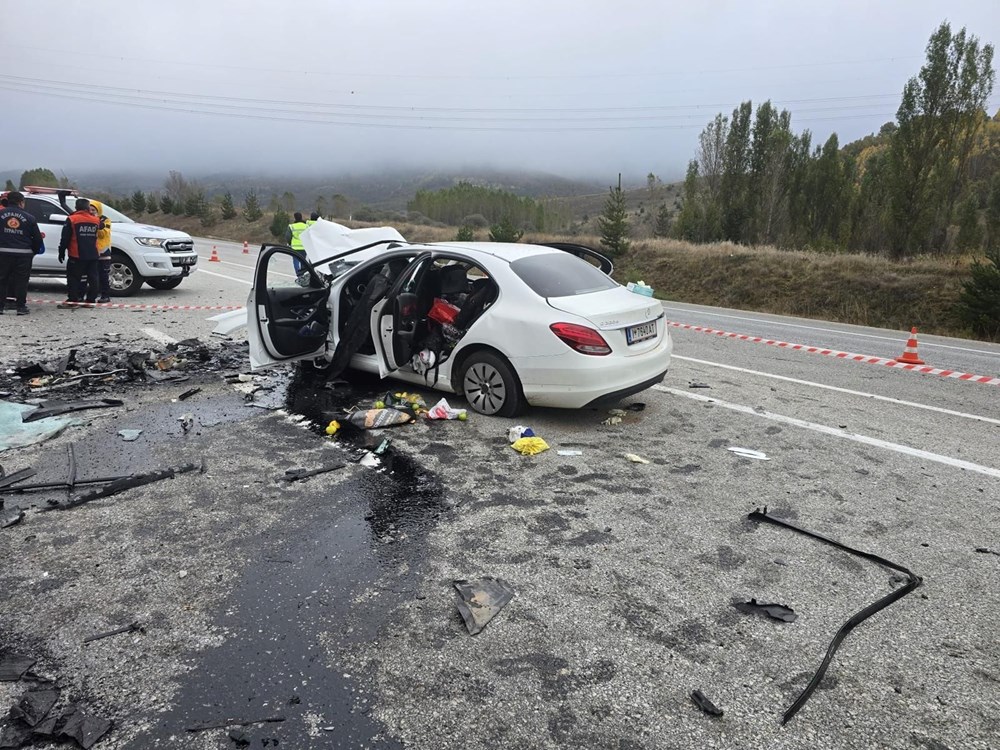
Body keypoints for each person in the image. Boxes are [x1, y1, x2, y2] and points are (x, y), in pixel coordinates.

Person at [0, 191, 44, 315]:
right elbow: (37, 239)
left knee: (2, 280)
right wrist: (33, 252)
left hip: (2, 253)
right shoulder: (29, 218)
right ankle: (21, 307)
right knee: (21, 281)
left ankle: (0, 307)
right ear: (21, 202)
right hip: (23, 255)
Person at [58, 198, 101, 306]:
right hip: (93, 254)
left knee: (73, 278)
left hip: (76, 255)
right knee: (93, 277)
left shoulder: (72, 219)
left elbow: (65, 238)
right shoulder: (96, 220)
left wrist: (61, 251)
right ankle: (91, 300)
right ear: (87, 208)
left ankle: (73, 300)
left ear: (76, 207)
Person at [87, 200, 112, 302]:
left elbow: (103, 234)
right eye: (90, 209)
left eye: (93, 210)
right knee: (92, 275)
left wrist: (96, 221)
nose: (91, 211)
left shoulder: (105, 220)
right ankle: (93, 295)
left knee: (103, 275)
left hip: (104, 252)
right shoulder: (88, 219)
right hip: (92, 252)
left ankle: (105, 295)